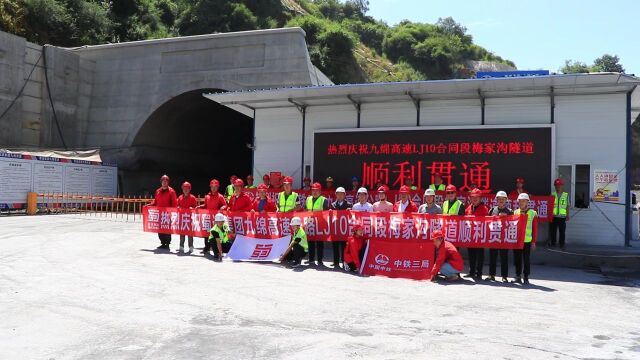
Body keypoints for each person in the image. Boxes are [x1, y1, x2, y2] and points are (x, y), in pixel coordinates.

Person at [486, 191, 513, 282]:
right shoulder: (492, 210)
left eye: (503, 199)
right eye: (499, 199)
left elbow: (513, 225)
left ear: (506, 200)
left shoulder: (510, 211)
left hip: (504, 238)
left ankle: (504, 276)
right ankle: (491, 275)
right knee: (492, 256)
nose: (501, 201)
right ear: (496, 200)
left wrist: (507, 218)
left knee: (504, 257)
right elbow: (487, 223)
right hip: (494, 237)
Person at [146, 174, 177, 250]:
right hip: (159, 214)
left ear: (168, 182)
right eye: (163, 181)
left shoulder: (171, 191)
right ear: (161, 182)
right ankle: (162, 243)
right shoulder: (158, 191)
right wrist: (149, 205)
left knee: (167, 229)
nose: (164, 182)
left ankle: (167, 244)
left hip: (167, 214)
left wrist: (173, 212)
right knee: (160, 229)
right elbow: (155, 202)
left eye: (166, 181)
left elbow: (174, 203)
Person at [513, 193, 538, 284]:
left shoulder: (533, 213)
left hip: (527, 241)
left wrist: (533, 242)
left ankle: (526, 277)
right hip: (517, 240)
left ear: (527, 202)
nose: (521, 203)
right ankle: (518, 275)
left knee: (526, 259)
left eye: (524, 201)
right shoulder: (515, 212)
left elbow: (535, 228)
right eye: (520, 201)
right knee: (517, 259)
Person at [465, 188, 488, 280]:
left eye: (476, 197)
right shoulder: (468, 208)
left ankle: (479, 273)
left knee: (479, 255)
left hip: (479, 236)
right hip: (470, 235)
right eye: (472, 197)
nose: (474, 199)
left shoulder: (484, 209)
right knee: (471, 254)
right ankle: (471, 272)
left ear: (480, 198)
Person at [305, 182, 330, 266]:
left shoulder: (324, 200)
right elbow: (305, 211)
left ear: (320, 191)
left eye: (317, 190)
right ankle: (311, 259)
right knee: (310, 242)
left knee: (320, 243)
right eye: (313, 190)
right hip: (310, 223)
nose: (314, 192)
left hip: (320, 223)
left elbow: (326, 213)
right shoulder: (308, 199)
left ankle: (319, 260)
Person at [199, 179, 227, 254]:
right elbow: (205, 205)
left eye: (215, 187)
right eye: (212, 187)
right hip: (208, 218)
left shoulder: (220, 196)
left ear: (218, 187)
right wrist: (199, 206)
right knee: (207, 233)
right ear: (210, 187)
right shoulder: (207, 196)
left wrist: (222, 207)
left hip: (216, 219)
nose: (213, 188)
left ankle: (216, 248)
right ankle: (206, 247)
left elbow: (225, 205)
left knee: (215, 233)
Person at [330, 187, 352, 269]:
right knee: (335, 246)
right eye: (338, 194)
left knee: (344, 247)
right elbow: (330, 217)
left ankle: (343, 261)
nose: (339, 196)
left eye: (341, 194)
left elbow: (352, 217)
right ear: (335, 195)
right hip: (335, 229)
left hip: (344, 230)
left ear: (344, 195)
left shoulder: (349, 205)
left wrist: (350, 211)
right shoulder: (333, 205)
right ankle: (336, 262)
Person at [176, 181, 197, 253]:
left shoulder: (193, 198)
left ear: (189, 189)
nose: (185, 190)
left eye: (187, 188)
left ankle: (191, 246)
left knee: (190, 234)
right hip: (182, 218)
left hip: (190, 219)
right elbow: (177, 205)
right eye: (184, 188)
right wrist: (178, 207)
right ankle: (181, 246)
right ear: (182, 189)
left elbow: (195, 207)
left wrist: (192, 208)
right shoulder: (180, 197)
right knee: (182, 233)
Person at [550, 178, 569, 250]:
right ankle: (553, 243)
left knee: (562, 231)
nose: (558, 187)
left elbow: (567, 206)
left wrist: (567, 215)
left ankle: (562, 244)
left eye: (559, 185)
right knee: (553, 231)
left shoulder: (566, 195)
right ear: (555, 186)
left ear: (562, 186)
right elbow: (549, 205)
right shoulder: (552, 195)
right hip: (553, 216)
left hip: (562, 217)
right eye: (556, 185)